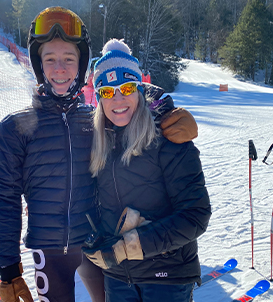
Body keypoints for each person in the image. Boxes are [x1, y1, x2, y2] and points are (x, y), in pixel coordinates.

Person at [0, 7, 198, 302]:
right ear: (39, 65)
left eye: (68, 59)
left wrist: (166, 111)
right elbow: (4, 201)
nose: (59, 68)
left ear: (82, 64)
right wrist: (9, 270)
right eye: (50, 59)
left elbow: (130, 101)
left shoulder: (96, 121)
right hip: (49, 253)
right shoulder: (15, 130)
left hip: (99, 246)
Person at [82, 39, 212, 302]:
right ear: (98, 97)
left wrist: (129, 246)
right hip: (118, 279)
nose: (117, 98)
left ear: (140, 89)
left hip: (167, 278)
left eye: (127, 87)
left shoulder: (167, 136)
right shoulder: (96, 142)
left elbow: (196, 215)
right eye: (107, 91)